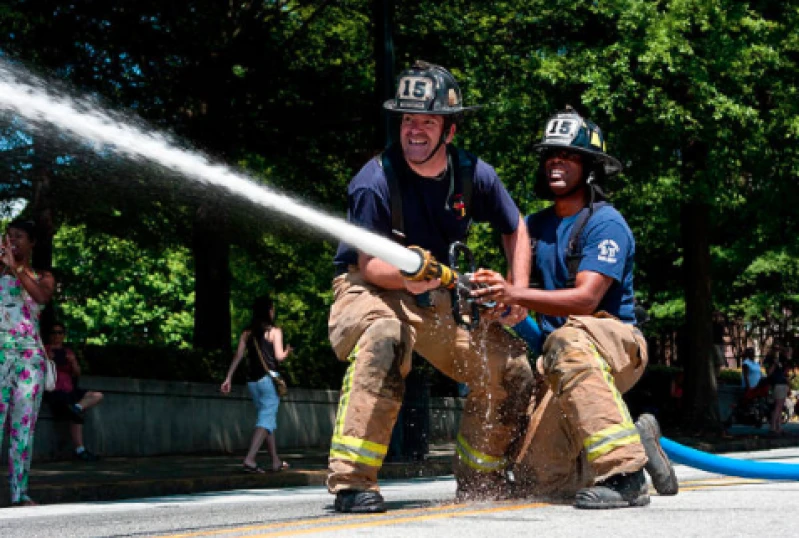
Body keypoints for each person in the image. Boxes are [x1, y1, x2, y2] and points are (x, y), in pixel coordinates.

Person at [328, 60, 534, 513]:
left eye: (427, 121)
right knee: (386, 337)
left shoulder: (475, 174)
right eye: (407, 120)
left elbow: (515, 225)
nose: (414, 131)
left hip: (432, 293)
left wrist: (517, 290)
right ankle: (353, 482)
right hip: (368, 288)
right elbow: (369, 264)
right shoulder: (373, 181)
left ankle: (481, 479)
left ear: (450, 131)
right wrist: (409, 276)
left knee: (510, 368)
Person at [471, 108, 678, 509]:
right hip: (561, 355)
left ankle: (626, 475)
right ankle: (635, 438)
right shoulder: (530, 228)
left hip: (616, 344)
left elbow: (585, 300)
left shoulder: (607, 223)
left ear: (591, 168)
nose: (555, 163)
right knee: (539, 480)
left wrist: (516, 294)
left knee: (568, 340)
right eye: (550, 155)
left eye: (568, 156)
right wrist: (509, 313)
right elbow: (539, 332)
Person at [0, 219, 55, 506]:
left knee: (22, 430)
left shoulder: (42, 276)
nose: (13, 242)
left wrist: (17, 268)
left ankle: (19, 493)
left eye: (19, 237)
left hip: (30, 360)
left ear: (31, 243)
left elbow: (41, 297)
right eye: (9, 237)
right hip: (0, 355)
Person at [221, 296, 292, 473]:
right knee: (266, 419)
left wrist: (228, 377)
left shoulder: (247, 333)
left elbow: (238, 356)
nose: (273, 311)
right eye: (272, 309)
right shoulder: (275, 331)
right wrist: (287, 352)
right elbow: (278, 357)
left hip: (252, 382)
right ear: (268, 311)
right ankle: (250, 459)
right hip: (269, 381)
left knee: (267, 419)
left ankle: (275, 460)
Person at [43, 322, 104, 461]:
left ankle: (76, 408)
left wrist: (73, 361)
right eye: (54, 332)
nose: (57, 335)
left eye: (60, 332)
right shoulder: (45, 350)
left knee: (97, 396)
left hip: (69, 389)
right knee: (76, 417)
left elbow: (77, 373)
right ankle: (80, 450)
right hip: (54, 390)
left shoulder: (68, 352)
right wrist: (48, 359)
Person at [766, 345, 791, 435]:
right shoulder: (773, 360)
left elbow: (785, 374)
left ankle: (778, 427)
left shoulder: (783, 361)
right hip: (778, 384)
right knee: (778, 406)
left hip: (781, 383)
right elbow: (769, 373)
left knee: (780, 407)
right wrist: (775, 364)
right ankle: (773, 426)